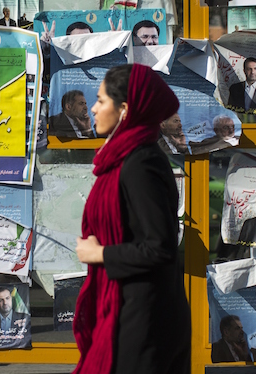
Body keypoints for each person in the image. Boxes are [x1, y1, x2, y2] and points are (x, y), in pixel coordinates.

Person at [73, 64, 190, 373]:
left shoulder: (141, 164)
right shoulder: (124, 157)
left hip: (145, 318)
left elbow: (159, 247)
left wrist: (99, 253)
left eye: (100, 101)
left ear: (124, 109)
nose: (94, 109)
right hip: (128, 304)